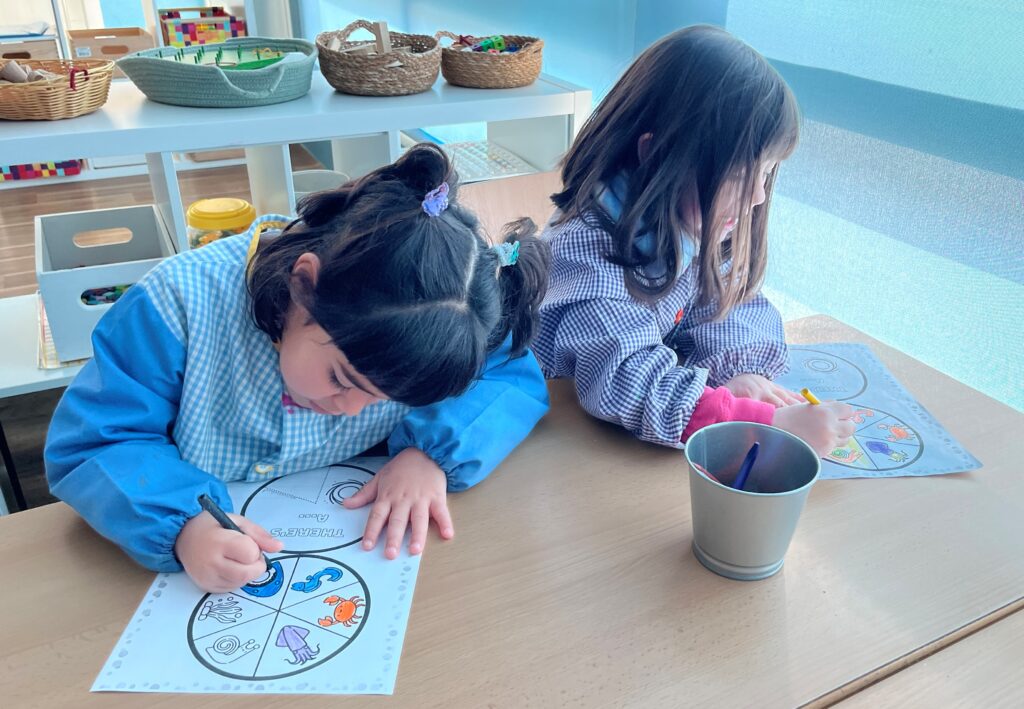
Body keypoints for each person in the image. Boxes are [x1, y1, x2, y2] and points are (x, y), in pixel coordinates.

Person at [45, 144, 551, 592]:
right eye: (342, 379)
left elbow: (510, 377)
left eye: (386, 398)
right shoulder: (176, 307)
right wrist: (183, 524)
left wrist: (429, 454)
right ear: (304, 284)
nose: (351, 411)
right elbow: (97, 443)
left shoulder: (452, 316)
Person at [533, 25, 853, 454]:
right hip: (552, 445)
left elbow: (728, 303)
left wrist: (739, 375)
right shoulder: (588, 253)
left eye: (766, 174)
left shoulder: (682, 219)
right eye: (741, 175)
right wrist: (760, 424)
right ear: (656, 155)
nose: (758, 197)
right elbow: (630, 381)